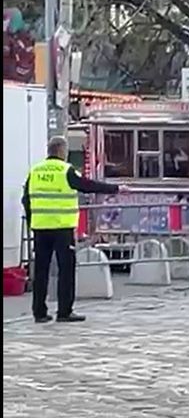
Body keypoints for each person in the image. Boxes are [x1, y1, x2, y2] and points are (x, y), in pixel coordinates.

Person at [22, 136, 121, 323]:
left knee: (41, 271)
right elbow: (87, 186)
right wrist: (115, 189)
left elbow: (25, 199)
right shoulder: (65, 170)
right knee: (66, 270)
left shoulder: (35, 171)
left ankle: (39, 312)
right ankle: (64, 311)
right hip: (62, 228)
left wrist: (31, 222)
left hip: (40, 228)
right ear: (62, 151)